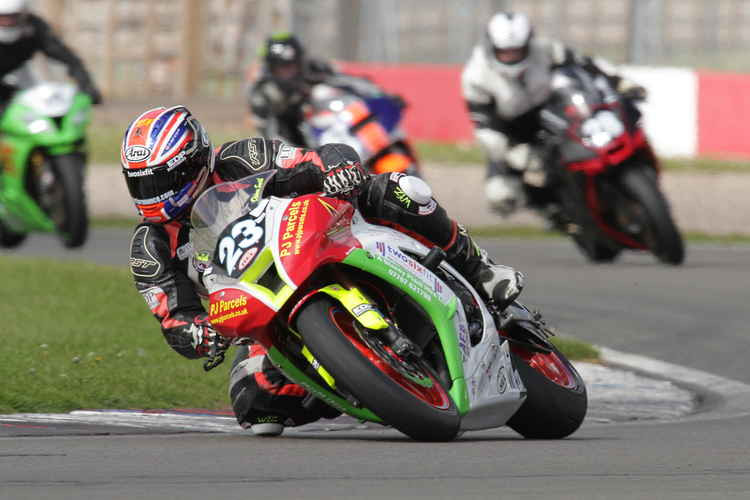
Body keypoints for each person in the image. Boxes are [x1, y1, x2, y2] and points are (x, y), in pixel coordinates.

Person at [122, 105, 524, 436]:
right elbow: (172, 316)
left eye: (161, 179)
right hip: (260, 306)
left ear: (193, 161)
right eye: (139, 184)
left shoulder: (241, 156)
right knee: (257, 407)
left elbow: (308, 159)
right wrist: (198, 332)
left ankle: (478, 265)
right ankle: (363, 383)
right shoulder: (149, 246)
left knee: (396, 189)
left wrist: (335, 165)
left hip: (315, 235)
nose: (152, 195)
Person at [461, 11, 645, 216]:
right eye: (505, 52)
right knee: (501, 197)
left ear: (528, 43)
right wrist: (511, 152)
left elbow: (586, 63)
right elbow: (482, 122)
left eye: (518, 50)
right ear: (491, 46)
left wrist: (620, 81)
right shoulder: (476, 75)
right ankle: (552, 211)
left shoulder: (546, 49)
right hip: (512, 132)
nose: (511, 57)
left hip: (553, 114)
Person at [247, 32, 402, 146]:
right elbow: (269, 135)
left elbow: (347, 81)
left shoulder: (315, 67)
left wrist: (380, 94)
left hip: (329, 126)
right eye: (282, 67)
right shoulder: (261, 93)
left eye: (292, 65)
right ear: (270, 67)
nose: (289, 71)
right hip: (295, 142)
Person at [0, 0, 102, 108]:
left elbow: (68, 58)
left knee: (37, 105)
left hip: (20, 74)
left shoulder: (34, 27)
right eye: (3, 18)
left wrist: (86, 85)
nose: (8, 22)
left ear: (22, 15)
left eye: (12, 17)